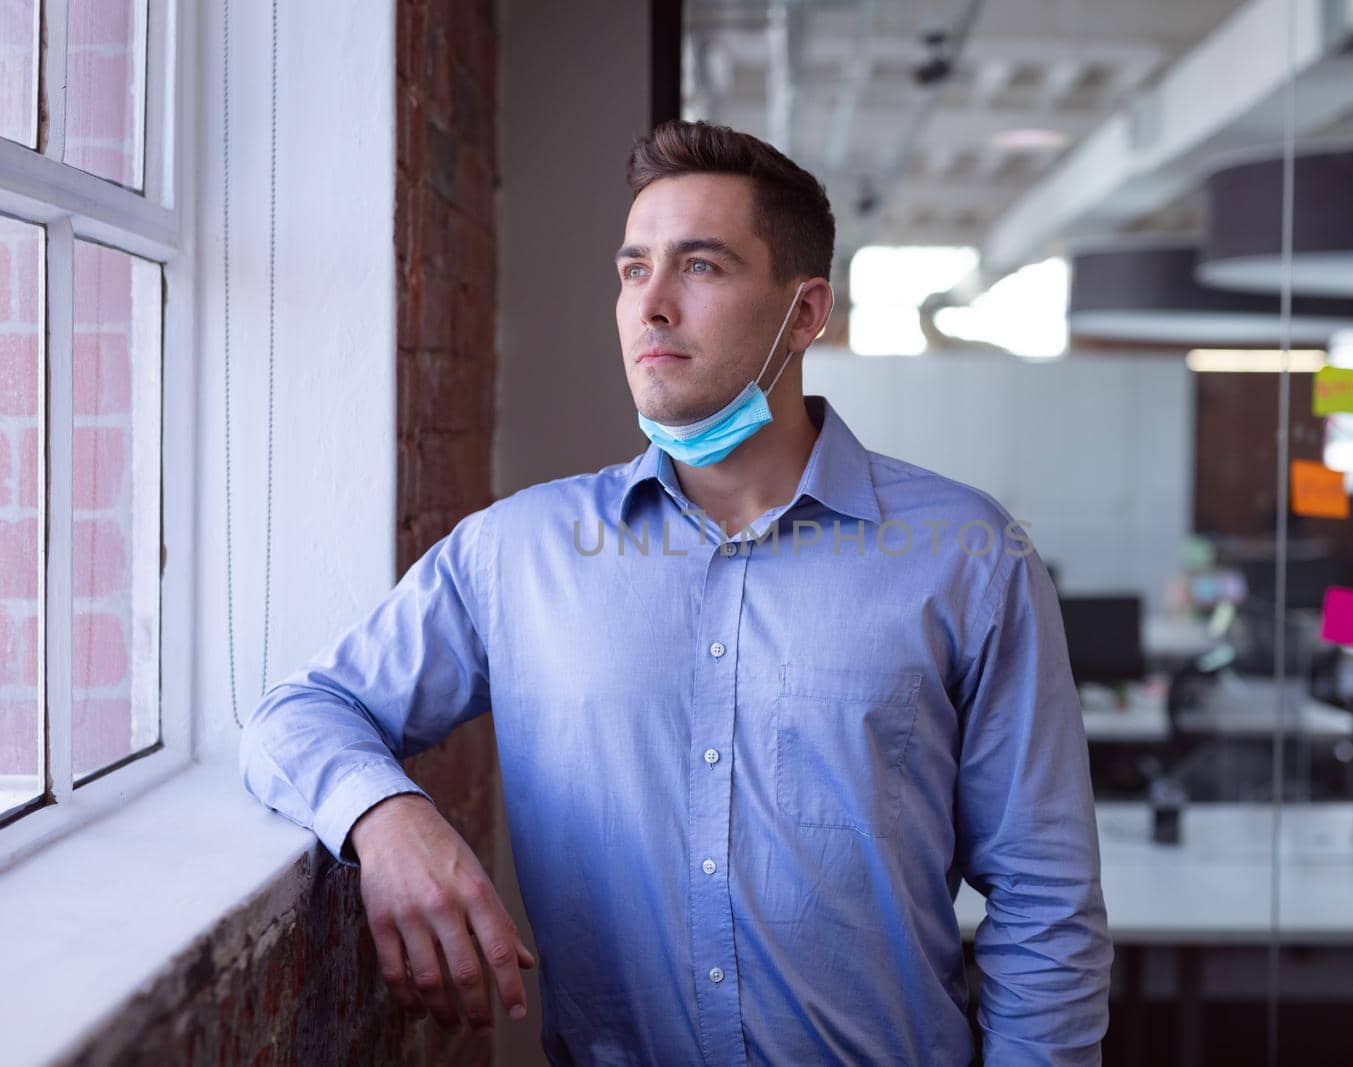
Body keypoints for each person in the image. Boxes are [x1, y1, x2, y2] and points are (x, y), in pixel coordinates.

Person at [239, 118, 1111, 1065]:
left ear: (805, 312)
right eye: (632, 269)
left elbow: (1045, 903)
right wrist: (386, 816)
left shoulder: (967, 554)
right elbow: (301, 712)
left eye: (700, 267)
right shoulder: (517, 553)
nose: (651, 306)